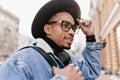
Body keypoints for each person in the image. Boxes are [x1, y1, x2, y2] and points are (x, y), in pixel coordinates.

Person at [0, 0, 106, 80]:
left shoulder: (66, 58)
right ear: (48, 29)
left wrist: (90, 36)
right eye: (65, 25)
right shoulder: (21, 61)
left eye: (73, 28)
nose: (72, 32)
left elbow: (92, 71)